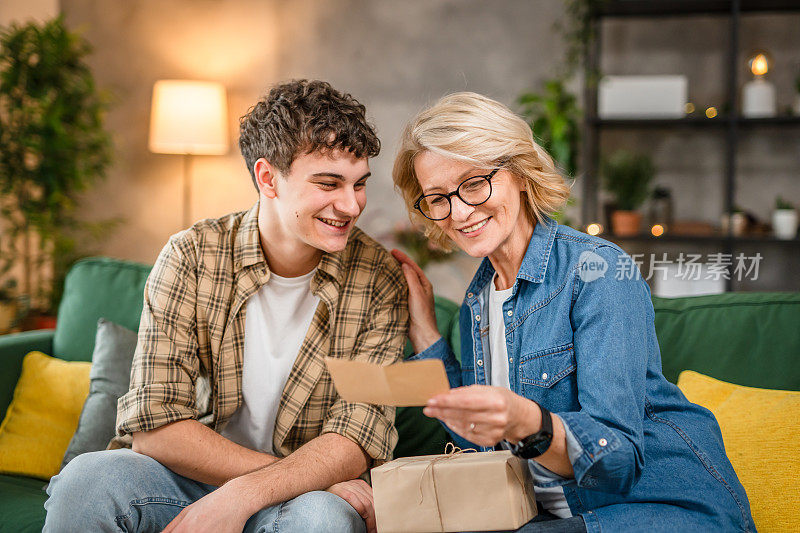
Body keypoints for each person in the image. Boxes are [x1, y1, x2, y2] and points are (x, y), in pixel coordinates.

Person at [44, 79, 408, 533]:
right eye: (329, 183)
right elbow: (156, 428)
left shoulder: (380, 280)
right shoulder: (191, 256)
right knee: (87, 480)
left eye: (359, 184)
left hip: (307, 498)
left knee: (322, 519)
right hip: (194, 481)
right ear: (267, 178)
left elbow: (356, 438)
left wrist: (247, 494)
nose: (351, 205)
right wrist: (273, 479)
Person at [390, 92, 755, 533]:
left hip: (661, 510)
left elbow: (617, 458)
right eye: (438, 197)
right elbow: (480, 440)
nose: (460, 211)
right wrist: (425, 329)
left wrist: (531, 423)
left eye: (473, 183)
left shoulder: (598, 273)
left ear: (521, 173)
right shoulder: (477, 303)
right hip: (557, 519)